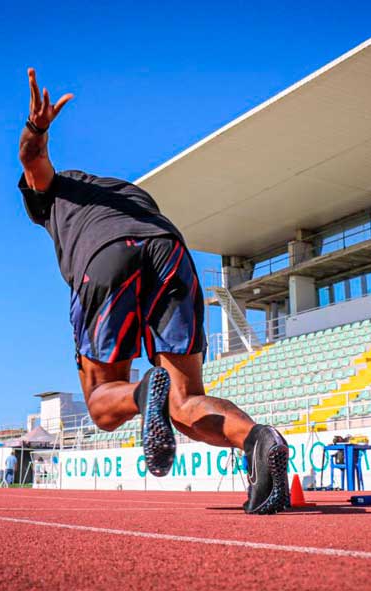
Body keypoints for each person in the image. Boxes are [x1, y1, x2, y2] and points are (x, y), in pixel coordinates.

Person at [16, 68, 289, 514]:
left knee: (104, 407)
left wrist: (37, 127)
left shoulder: (57, 190)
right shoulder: (129, 193)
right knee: (184, 402)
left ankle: (144, 393)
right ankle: (258, 439)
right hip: (170, 249)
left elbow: (32, 160)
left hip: (106, 258)